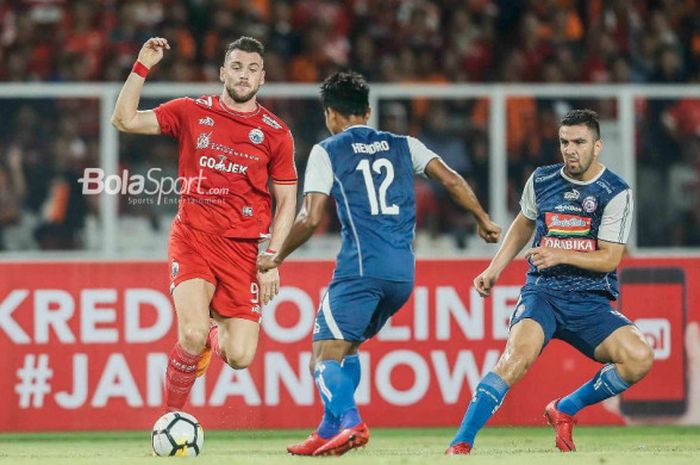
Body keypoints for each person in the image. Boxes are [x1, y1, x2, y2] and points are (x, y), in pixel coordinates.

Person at [257, 71, 501, 456]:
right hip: (402, 275)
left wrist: (274, 256)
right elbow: (451, 179)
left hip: (359, 270)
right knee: (347, 349)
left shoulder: (328, 149)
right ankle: (326, 430)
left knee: (321, 359)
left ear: (330, 114)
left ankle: (351, 423)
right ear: (368, 111)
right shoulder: (406, 145)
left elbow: (310, 217)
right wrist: (482, 219)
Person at [446, 109, 654, 454]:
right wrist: (494, 268)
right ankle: (460, 444)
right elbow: (524, 224)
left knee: (639, 358)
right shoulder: (541, 180)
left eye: (579, 142)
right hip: (543, 294)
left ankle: (565, 408)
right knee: (514, 359)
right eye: (564, 142)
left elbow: (610, 258)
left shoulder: (615, 191)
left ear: (597, 146)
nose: (570, 150)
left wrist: (561, 255)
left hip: (590, 302)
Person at [111, 36, 297, 411]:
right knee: (191, 334)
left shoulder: (276, 133)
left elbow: (288, 200)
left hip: (242, 251)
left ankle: (215, 336)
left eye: (252, 69)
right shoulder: (191, 111)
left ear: (262, 79)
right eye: (237, 67)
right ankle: (171, 417)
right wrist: (142, 66)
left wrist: (273, 257)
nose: (244, 76)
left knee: (240, 355)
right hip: (193, 238)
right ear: (222, 72)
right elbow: (123, 120)